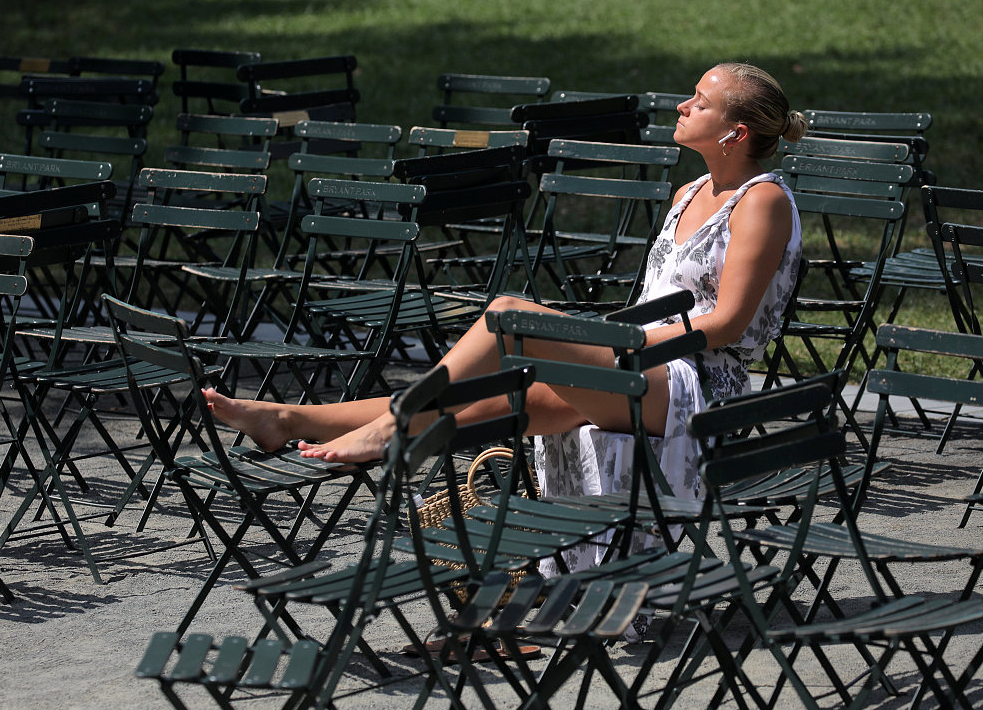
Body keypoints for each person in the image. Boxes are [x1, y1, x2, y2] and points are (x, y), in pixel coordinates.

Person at [204, 62, 807, 488]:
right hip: (642, 361)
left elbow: (726, 324)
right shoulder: (691, 189)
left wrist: (623, 342)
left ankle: (386, 428)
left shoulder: (762, 202)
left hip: (698, 386)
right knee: (476, 403)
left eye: (699, 101)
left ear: (737, 131)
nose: (682, 104)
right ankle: (286, 419)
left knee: (507, 313)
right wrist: (618, 341)